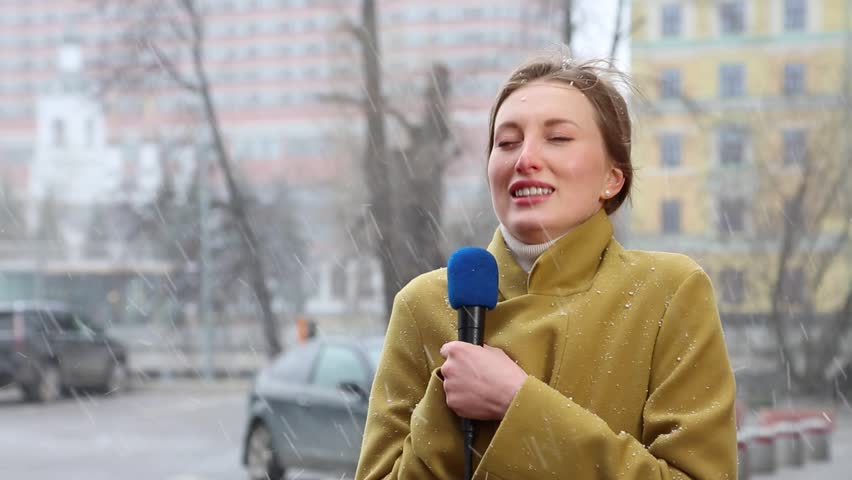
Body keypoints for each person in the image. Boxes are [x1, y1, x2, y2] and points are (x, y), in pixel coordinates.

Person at [355, 54, 737, 479]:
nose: (525, 159)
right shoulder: (423, 305)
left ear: (613, 177)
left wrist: (518, 404)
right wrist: (446, 412)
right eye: (507, 142)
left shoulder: (668, 292)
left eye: (557, 138)